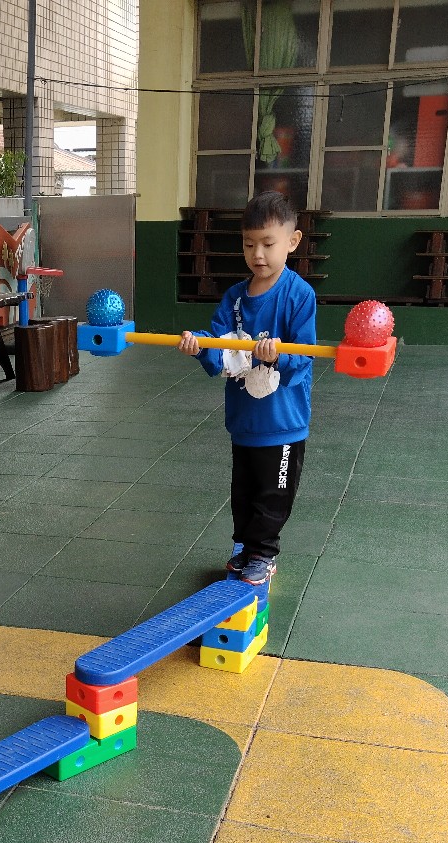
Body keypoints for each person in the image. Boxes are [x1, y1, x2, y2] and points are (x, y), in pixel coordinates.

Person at [178, 190, 316, 588]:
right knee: (243, 492)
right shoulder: (235, 297)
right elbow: (219, 349)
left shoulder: (299, 295)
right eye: (249, 244)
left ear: (292, 241)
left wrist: (277, 357)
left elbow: (303, 359)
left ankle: (263, 554)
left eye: (268, 244)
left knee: (273, 493)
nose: (258, 254)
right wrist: (199, 345)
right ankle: (246, 546)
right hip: (244, 421)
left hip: (282, 422)